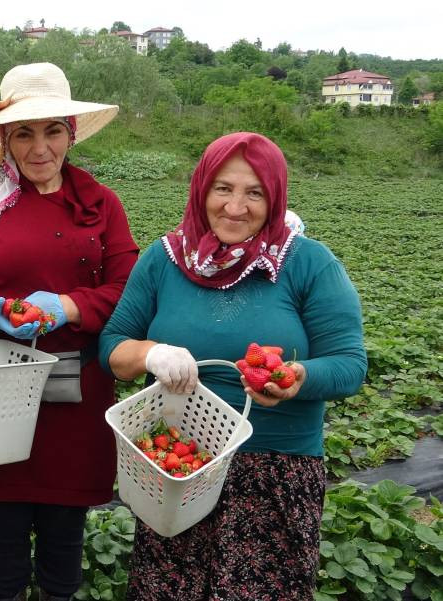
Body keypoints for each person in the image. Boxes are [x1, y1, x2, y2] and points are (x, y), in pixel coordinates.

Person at [99, 132, 367, 600]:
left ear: (276, 196)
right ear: (201, 189)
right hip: (177, 469)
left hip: (274, 470)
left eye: (255, 192)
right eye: (223, 188)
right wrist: (151, 354)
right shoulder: (163, 261)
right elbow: (112, 348)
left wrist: (297, 379)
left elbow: (349, 365)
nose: (235, 207)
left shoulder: (309, 264)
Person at [0, 62, 139, 601]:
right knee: (1, 519)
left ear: (70, 134)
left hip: (77, 394)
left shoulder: (101, 204)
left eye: (52, 130)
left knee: (64, 524)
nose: (39, 147)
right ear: (5, 139)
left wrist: (70, 306)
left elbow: (129, 290)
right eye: (23, 132)